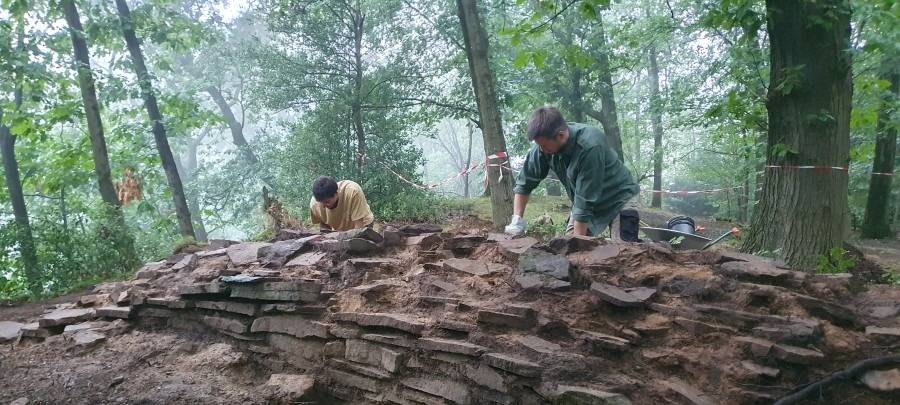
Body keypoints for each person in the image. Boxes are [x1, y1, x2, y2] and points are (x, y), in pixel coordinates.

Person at [505, 106, 640, 239]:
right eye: (539, 145)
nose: (541, 149)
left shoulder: (590, 146)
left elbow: (585, 200)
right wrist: (517, 221)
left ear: (561, 136)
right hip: (584, 200)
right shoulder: (543, 146)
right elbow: (524, 184)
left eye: (544, 145)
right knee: (568, 246)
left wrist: (578, 243)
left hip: (619, 198)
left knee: (624, 250)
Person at [309, 176, 374, 232]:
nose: (323, 206)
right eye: (321, 202)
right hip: (340, 229)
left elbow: (358, 227)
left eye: (327, 202)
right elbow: (324, 224)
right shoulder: (314, 204)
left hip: (363, 224)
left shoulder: (353, 192)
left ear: (336, 193)